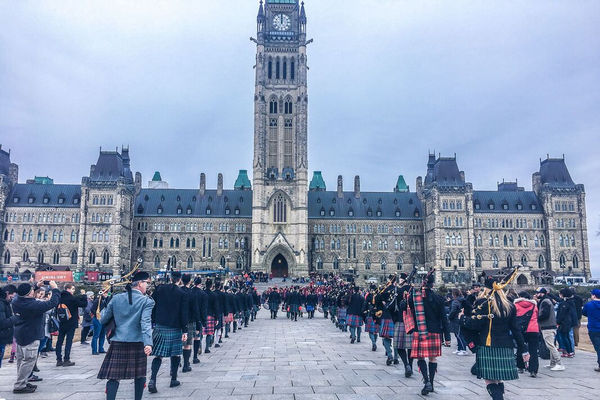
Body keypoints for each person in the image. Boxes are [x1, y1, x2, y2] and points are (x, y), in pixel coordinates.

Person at [460, 271, 528, 400]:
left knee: (490, 380)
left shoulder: (485, 304)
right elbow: (516, 330)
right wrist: (524, 350)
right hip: (505, 346)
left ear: (487, 289)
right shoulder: (510, 306)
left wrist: (462, 318)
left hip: (488, 345)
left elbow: (474, 324)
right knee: (498, 379)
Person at [97, 271, 154, 400]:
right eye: (147, 283)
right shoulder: (147, 301)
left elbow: (103, 319)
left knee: (113, 376)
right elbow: (145, 323)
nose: (148, 286)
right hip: (137, 342)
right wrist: (148, 343)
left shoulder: (116, 298)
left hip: (118, 341)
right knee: (139, 375)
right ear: (140, 283)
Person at [12, 280, 60, 394]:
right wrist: (55, 289)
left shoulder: (16, 301)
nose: (34, 291)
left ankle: (23, 381)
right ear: (29, 294)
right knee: (29, 360)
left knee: (21, 360)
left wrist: (35, 286)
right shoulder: (33, 305)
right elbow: (52, 303)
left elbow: (22, 294)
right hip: (31, 335)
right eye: (33, 291)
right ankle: (20, 385)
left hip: (20, 333)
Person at [406, 272, 451, 396]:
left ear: (423, 284)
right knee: (432, 358)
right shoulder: (439, 298)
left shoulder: (415, 297)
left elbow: (403, 305)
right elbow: (444, 319)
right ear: (433, 284)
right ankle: (431, 382)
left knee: (420, 357)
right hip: (435, 331)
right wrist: (447, 337)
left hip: (420, 331)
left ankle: (426, 381)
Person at [148, 271, 189, 393]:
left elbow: (152, 306)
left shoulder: (160, 289)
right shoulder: (182, 293)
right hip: (175, 327)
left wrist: (154, 321)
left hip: (160, 326)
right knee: (175, 354)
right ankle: (173, 379)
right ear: (179, 279)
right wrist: (184, 330)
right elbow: (184, 313)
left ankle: (153, 379)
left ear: (170, 278)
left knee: (158, 355)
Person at [56, 283, 88, 367]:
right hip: (71, 322)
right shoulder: (72, 298)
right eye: (73, 289)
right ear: (68, 289)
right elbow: (84, 304)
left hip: (62, 322)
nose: (73, 291)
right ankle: (66, 359)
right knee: (69, 341)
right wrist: (84, 295)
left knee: (59, 341)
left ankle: (58, 359)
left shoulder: (59, 297)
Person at [535, 287, 564, 371]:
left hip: (547, 326)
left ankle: (559, 363)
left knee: (550, 345)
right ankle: (553, 363)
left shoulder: (545, 302)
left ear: (542, 293)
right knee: (551, 345)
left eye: (538, 293)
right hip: (550, 325)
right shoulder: (546, 300)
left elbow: (544, 314)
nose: (536, 295)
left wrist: (537, 318)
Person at [514, 291, 539, 377]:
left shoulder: (516, 305)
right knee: (533, 350)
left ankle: (520, 366)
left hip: (521, 330)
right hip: (534, 329)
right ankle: (533, 370)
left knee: (521, 347)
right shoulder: (534, 305)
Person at [0, 285, 18, 368]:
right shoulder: (1, 303)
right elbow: (2, 323)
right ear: (7, 293)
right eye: (11, 296)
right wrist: (16, 317)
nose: (12, 299)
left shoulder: (4, 302)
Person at [556, 288, 577, 358]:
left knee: (564, 337)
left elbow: (561, 314)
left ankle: (569, 351)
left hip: (564, 323)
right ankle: (568, 351)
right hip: (568, 322)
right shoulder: (571, 302)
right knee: (566, 336)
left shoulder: (564, 304)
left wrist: (558, 322)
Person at [582, 288, 600, 372]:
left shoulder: (589, 305)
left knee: (598, 347)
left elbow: (584, 313)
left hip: (594, 328)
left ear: (593, 295)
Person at [448, 289, 468, 356]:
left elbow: (453, 310)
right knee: (458, 334)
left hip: (456, 319)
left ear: (454, 294)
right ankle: (459, 348)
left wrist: (449, 317)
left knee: (459, 335)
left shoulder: (455, 301)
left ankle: (463, 349)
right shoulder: (462, 300)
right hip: (461, 318)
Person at [91, 290, 109, 355]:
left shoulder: (105, 300)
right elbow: (92, 309)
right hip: (97, 319)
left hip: (103, 319)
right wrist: (97, 315)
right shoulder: (97, 300)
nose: (106, 294)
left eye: (107, 293)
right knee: (96, 335)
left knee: (102, 335)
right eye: (105, 293)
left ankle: (101, 348)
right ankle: (94, 350)